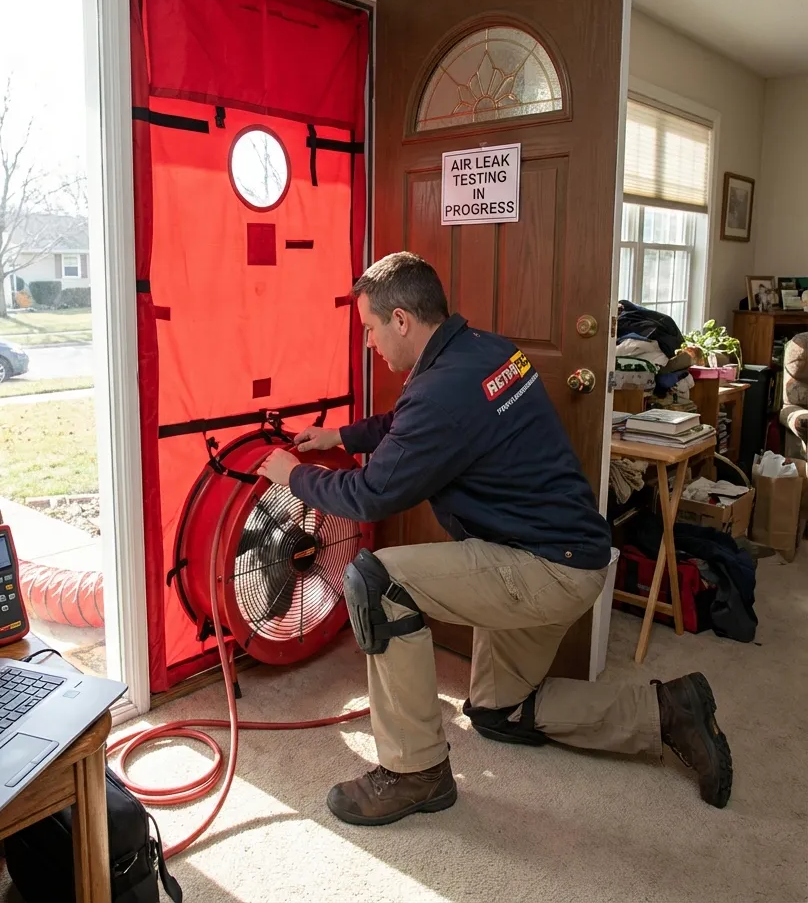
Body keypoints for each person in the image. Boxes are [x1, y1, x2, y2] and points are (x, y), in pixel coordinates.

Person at [257, 251, 732, 827]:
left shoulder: (442, 391)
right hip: (571, 553)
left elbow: (367, 497)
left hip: (541, 567)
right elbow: (409, 422)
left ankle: (415, 772)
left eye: (370, 329)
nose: (369, 344)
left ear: (402, 319)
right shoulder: (484, 351)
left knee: (375, 581)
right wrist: (341, 433)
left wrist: (293, 475)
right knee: (499, 712)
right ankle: (667, 711)